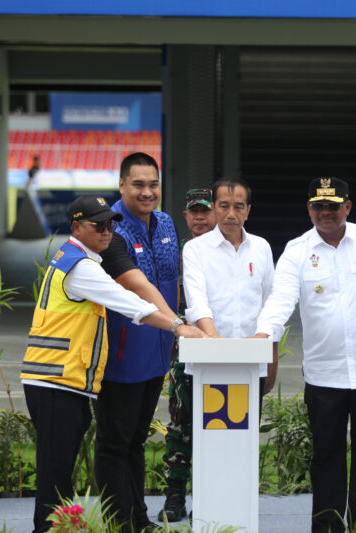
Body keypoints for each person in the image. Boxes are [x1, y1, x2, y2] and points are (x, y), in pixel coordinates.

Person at [20, 195, 203, 533]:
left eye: (110, 225)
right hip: (55, 381)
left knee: (57, 469)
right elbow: (130, 303)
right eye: (98, 226)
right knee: (56, 471)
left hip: (62, 380)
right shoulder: (82, 267)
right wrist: (179, 326)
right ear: (76, 227)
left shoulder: (74, 257)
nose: (107, 232)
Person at [255, 177, 356, 532]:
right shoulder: (296, 250)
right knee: (326, 459)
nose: (325, 212)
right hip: (324, 377)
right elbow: (280, 300)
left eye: (333, 205)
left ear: (348, 207)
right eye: (318, 206)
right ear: (308, 208)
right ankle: (327, 528)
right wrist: (265, 335)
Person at [94, 152, 181, 533]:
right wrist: (178, 324)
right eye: (138, 185)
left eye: (153, 185)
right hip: (120, 357)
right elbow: (136, 285)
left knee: (136, 441)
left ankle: (138, 518)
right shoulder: (109, 228)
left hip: (157, 355)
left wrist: (175, 333)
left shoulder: (165, 222)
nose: (148, 192)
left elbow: (172, 281)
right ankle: (119, 523)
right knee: (115, 442)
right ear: (121, 185)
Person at [182, 177, 278, 405]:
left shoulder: (262, 247)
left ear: (248, 211)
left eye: (239, 206)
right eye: (224, 206)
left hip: (252, 361)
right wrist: (217, 343)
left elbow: (271, 304)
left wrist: (270, 356)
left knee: (245, 434)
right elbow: (197, 302)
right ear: (214, 208)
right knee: (210, 435)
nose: (231, 214)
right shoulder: (195, 249)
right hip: (207, 359)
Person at [158, 187, 216, 522]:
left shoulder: (224, 251)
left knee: (220, 421)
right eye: (194, 211)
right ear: (185, 216)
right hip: (184, 349)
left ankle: (210, 495)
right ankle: (175, 496)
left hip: (221, 347)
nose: (199, 217)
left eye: (205, 211)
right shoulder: (176, 253)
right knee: (181, 423)